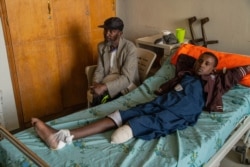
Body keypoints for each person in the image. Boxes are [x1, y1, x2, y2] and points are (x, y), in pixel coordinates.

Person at [32, 52, 250, 150]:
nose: (201, 65)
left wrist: (223, 68)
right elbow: (182, 56)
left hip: (182, 111)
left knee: (154, 120)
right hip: (163, 101)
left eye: (207, 63)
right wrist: (190, 51)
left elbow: (240, 71)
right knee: (122, 114)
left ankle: (131, 129)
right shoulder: (185, 73)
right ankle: (64, 135)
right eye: (200, 61)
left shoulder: (216, 80)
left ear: (213, 68)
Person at [90, 17, 140, 106]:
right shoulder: (101, 47)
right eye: (105, 30)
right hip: (108, 80)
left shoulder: (129, 48)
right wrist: (96, 84)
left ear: (120, 33)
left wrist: (104, 87)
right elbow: (99, 70)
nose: (107, 34)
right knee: (97, 96)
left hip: (126, 82)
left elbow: (127, 78)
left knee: (108, 101)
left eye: (111, 31)